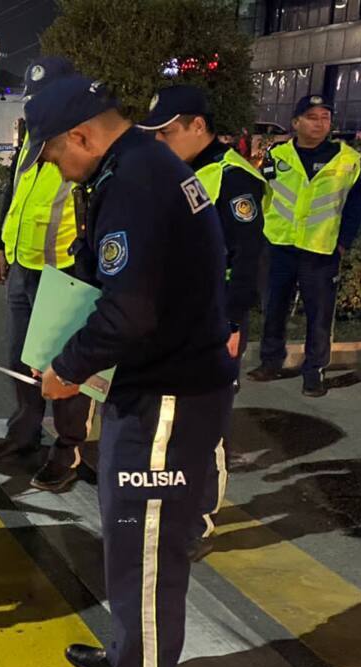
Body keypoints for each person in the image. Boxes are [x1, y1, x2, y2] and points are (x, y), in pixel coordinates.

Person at [20, 73, 236, 667]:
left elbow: (131, 309)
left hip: (166, 399)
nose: (56, 169)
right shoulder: (139, 166)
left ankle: (139, 666)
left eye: (55, 153)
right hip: (155, 387)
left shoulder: (136, 181)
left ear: (82, 136)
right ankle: (129, 655)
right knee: (129, 542)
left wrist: (66, 367)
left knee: (144, 557)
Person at [139, 85, 267, 560]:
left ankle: (200, 520)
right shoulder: (178, 171)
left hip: (214, 319)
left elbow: (248, 257)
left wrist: (232, 321)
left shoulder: (234, 179)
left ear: (198, 125)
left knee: (204, 423)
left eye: (167, 131)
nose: (159, 141)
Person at [0, 56, 93, 492]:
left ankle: (68, 450)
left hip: (65, 273)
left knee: (65, 368)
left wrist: (85, 278)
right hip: (22, 267)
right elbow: (16, 189)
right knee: (20, 361)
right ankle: (24, 434)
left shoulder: (86, 141)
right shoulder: (34, 134)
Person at [247, 95, 361, 397]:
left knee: (320, 315)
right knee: (274, 308)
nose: (320, 122)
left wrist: (342, 245)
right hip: (279, 245)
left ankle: (314, 372)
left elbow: (354, 208)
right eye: (312, 117)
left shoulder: (347, 159)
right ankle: (271, 362)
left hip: (321, 250)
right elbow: (264, 194)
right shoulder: (277, 155)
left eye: (325, 117)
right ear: (295, 122)